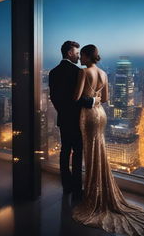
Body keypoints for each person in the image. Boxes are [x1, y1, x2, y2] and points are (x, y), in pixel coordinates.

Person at [72, 44, 144, 236]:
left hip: (88, 115)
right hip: (101, 115)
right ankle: (100, 191)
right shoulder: (104, 74)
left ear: (88, 57)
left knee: (90, 151)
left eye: (82, 56)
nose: (80, 59)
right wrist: (96, 99)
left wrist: (90, 99)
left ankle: (92, 195)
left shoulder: (84, 72)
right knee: (100, 149)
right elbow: (105, 99)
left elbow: (76, 97)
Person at [49, 41, 101, 198]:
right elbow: (77, 98)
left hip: (64, 118)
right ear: (70, 53)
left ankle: (66, 186)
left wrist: (62, 111)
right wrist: (92, 101)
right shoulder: (78, 72)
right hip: (78, 118)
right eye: (77, 53)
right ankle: (77, 188)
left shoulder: (53, 72)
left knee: (65, 151)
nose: (79, 56)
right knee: (78, 153)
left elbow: (54, 97)